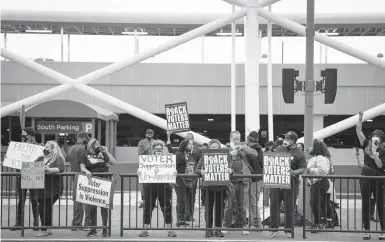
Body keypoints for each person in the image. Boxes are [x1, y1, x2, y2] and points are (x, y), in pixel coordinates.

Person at [268, 131, 306, 238]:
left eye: (287, 138)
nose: (285, 140)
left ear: (293, 141)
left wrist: (294, 172)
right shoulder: (279, 149)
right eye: (285, 138)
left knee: (289, 208)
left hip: (291, 184)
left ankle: (288, 230)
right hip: (276, 182)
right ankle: (273, 229)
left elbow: (303, 168)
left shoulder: (300, 153)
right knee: (274, 206)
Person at [138, 140, 177, 238]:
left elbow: (172, 170)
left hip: (164, 186)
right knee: (148, 207)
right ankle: (145, 229)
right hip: (150, 186)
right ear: (153, 149)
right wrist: (139, 171)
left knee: (166, 206)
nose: (158, 150)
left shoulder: (167, 159)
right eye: (157, 148)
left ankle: (170, 229)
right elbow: (141, 169)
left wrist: (174, 173)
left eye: (160, 148)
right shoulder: (147, 159)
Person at [356, 111, 385, 240]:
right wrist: (360, 118)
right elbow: (358, 131)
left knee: (380, 204)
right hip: (365, 178)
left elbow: (380, 166)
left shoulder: (383, 151)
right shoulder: (366, 146)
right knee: (366, 204)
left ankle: (383, 230)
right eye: (373, 137)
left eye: (377, 138)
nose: (375, 140)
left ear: (381, 141)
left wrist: (376, 156)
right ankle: (366, 230)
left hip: (379, 179)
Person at [79, 138, 116, 237]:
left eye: (99, 144)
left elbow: (113, 162)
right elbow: (82, 167)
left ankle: (105, 228)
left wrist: (106, 151)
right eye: (96, 144)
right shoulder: (85, 154)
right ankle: (93, 229)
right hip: (92, 182)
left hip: (104, 182)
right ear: (91, 145)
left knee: (104, 206)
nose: (98, 146)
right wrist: (86, 171)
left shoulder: (102, 153)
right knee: (92, 207)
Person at [195, 139, 230, 237]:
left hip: (220, 188)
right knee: (208, 210)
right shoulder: (204, 158)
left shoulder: (224, 158)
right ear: (209, 148)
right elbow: (196, 170)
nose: (214, 149)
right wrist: (201, 172)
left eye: (217, 148)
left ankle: (218, 230)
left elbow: (231, 170)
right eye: (212, 148)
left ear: (219, 148)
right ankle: (209, 229)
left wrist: (230, 170)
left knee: (219, 210)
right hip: (208, 188)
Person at [11, 127, 41, 231]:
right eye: (22, 134)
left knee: (34, 199)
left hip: (33, 174)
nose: (23, 137)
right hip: (21, 174)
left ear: (31, 136)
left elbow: (41, 160)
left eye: (25, 135)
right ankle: (19, 223)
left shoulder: (38, 147)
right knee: (21, 200)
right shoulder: (19, 147)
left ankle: (36, 223)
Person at [35, 141, 65, 237]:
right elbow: (33, 167)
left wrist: (48, 169)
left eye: (47, 147)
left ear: (53, 149)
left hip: (53, 187)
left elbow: (60, 168)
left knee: (44, 206)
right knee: (44, 207)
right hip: (41, 187)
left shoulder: (58, 158)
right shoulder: (41, 158)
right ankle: (48, 228)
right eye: (45, 147)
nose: (45, 148)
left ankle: (45, 229)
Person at [223, 130, 250, 235]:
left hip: (242, 181)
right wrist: (230, 154)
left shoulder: (242, 150)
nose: (237, 141)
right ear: (230, 138)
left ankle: (243, 226)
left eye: (238, 139)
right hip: (230, 181)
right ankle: (226, 226)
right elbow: (221, 161)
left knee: (242, 205)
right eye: (235, 139)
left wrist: (243, 148)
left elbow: (253, 154)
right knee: (229, 205)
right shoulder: (226, 149)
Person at [304, 139, 331, 232]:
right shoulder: (319, 157)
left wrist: (310, 169)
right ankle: (319, 223)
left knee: (315, 203)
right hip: (318, 182)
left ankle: (317, 224)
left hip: (320, 182)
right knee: (316, 203)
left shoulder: (320, 158)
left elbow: (323, 171)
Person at [241, 131, 264, 229]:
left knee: (253, 202)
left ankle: (257, 224)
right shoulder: (258, 149)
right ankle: (255, 223)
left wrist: (241, 146)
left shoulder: (255, 150)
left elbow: (251, 155)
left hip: (255, 178)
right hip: (256, 178)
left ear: (249, 139)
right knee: (253, 202)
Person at [69, 131, 90, 231]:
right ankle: (87, 223)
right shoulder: (85, 148)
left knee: (77, 201)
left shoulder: (72, 148)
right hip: (85, 175)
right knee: (87, 200)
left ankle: (76, 223)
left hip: (75, 175)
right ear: (84, 138)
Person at [175, 138, 196, 226]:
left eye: (192, 144)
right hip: (180, 179)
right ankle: (180, 219)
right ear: (184, 145)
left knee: (186, 199)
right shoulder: (179, 154)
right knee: (181, 199)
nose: (192, 145)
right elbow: (174, 166)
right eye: (190, 144)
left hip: (189, 180)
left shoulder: (189, 155)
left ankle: (185, 216)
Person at [355, 147, 378, 222]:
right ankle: (369, 215)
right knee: (369, 199)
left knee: (376, 199)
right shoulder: (366, 163)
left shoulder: (375, 162)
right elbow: (360, 165)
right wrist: (357, 157)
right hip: (366, 181)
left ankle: (375, 216)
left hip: (374, 180)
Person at [138, 129, 155, 208]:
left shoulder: (155, 142)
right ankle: (143, 201)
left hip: (153, 165)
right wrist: (146, 148)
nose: (149, 135)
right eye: (148, 134)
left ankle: (152, 201)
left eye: (151, 134)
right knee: (144, 184)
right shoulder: (141, 142)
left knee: (153, 184)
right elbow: (139, 154)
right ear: (145, 134)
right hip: (144, 165)